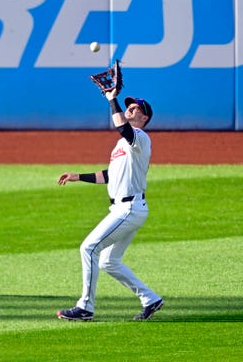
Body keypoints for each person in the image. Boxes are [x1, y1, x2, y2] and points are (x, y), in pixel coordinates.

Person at [56, 87, 163, 321]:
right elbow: (109, 175)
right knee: (108, 261)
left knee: (88, 248)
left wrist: (111, 98)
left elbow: (122, 127)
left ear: (144, 118)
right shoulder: (122, 145)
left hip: (128, 209)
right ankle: (151, 299)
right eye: (129, 105)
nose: (130, 108)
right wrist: (79, 177)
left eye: (136, 108)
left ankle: (85, 307)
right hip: (125, 209)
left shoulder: (139, 138)